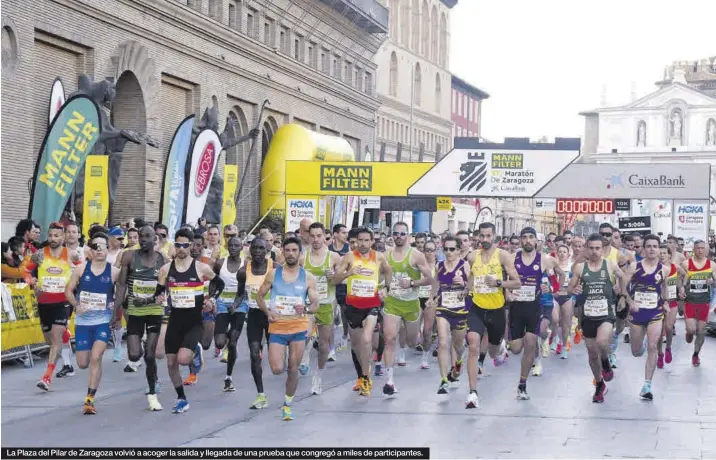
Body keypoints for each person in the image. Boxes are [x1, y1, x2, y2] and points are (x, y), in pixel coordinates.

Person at [157, 228, 224, 413]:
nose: (181, 248)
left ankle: (195, 354)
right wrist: (159, 297)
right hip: (174, 321)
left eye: (184, 245)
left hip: (194, 322)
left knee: (183, 359)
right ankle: (181, 398)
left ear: (190, 246)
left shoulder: (200, 267)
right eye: (177, 244)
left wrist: (211, 299)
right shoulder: (165, 269)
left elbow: (220, 283)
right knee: (171, 364)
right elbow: (159, 291)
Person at [256, 237, 318, 420]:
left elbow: (316, 304)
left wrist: (305, 308)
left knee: (293, 367)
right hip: (277, 326)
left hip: (298, 326)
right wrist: (267, 312)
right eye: (287, 250)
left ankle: (288, 403)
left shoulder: (308, 277)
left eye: (294, 250)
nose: (290, 253)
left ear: (300, 253)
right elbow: (259, 296)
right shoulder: (273, 274)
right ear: (282, 251)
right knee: (276, 368)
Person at [465, 222, 522, 409]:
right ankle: (473, 392)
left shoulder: (503, 256)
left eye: (488, 236)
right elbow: (472, 279)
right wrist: (465, 290)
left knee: (493, 351)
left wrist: (498, 283)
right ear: (477, 237)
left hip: (497, 309)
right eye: (482, 236)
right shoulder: (473, 257)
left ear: (494, 236)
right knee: (473, 344)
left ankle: (501, 348)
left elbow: (517, 283)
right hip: (477, 308)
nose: (485, 240)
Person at [568, 234, 628, 403]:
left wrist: (622, 295)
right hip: (587, 315)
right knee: (592, 354)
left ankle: (606, 361)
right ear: (587, 249)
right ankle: (599, 384)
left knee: (602, 342)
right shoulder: (580, 268)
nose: (594, 252)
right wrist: (575, 290)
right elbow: (570, 288)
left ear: (602, 249)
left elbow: (623, 277)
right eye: (591, 248)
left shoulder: (609, 265)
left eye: (597, 248)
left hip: (606, 313)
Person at [64, 232, 120, 414]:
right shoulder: (81, 269)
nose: (99, 250)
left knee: (96, 357)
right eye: (95, 246)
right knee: (82, 363)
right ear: (90, 249)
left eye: (102, 246)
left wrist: (116, 309)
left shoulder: (114, 271)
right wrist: (76, 305)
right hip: (83, 323)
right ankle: (89, 396)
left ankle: (89, 399)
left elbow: (124, 290)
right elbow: (68, 291)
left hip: (103, 322)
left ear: (107, 248)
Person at [333, 227, 392, 396]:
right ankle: (362, 375)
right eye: (361, 240)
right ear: (356, 241)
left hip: (371, 304)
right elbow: (335, 279)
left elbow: (388, 271)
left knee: (367, 339)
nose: (364, 244)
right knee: (357, 345)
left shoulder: (379, 257)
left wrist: (386, 289)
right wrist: (349, 272)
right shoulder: (350, 257)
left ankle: (366, 377)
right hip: (353, 305)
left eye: (367, 240)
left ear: (372, 241)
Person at [509, 227, 565, 396]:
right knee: (516, 348)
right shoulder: (512, 259)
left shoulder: (545, 260)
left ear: (536, 241)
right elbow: (504, 278)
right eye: (524, 237)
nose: (527, 240)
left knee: (530, 344)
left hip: (534, 307)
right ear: (520, 240)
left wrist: (552, 289)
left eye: (531, 237)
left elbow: (561, 274)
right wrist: (507, 293)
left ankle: (522, 383)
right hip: (516, 307)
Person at [115, 225, 166, 411]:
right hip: (135, 311)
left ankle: (152, 393)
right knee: (134, 355)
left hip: (154, 311)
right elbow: (121, 286)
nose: (143, 239)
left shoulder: (163, 260)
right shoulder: (129, 257)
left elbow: (169, 285)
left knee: (151, 355)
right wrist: (116, 313)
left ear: (155, 240)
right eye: (140, 236)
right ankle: (143, 347)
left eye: (147, 236)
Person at [381, 222, 434, 396]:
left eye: (402, 234)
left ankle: (417, 336)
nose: (399, 236)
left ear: (408, 236)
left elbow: (429, 279)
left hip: (411, 304)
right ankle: (389, 380)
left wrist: (412, 283)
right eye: (396, 233)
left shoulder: (416, 255)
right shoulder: (385, 255)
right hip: (392, 302)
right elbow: (380, 276)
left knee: (412, 343)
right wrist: (381, 288)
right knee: (389, 339)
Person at [24, 222, 77, 391]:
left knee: (55, 340)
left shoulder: (71, 255)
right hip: (44, 302)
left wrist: (74, 283)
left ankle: (47, 377)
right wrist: (31, 281)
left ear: (63, 237)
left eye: (56, 236)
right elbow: (25, 271)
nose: (53, 239)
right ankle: (65, 333)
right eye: (51, 235)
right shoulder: (39, 254)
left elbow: (83, 270)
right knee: (49, 339)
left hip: (62, 302)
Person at [623, 234, 669, 400]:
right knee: (636, 352)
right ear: (643, 249)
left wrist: (665, 302)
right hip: (637, 312)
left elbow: (664, 288)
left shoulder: (664, 270)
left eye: (655, 246)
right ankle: (638, 345)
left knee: (652, 346)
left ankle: (647, 384)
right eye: (648, 246)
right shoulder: (635, 266)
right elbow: (623, 286)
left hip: (655, 312)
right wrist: (629, 301)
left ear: (659, 249)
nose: (652, 249)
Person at [302, 223, 341, 395]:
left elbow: (339, 280)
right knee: (305, 333)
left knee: (324, 345)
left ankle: (318, 375)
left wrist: (333, 277)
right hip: (308, 303)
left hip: (326, 303)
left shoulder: (333, 257)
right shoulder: (303, 257)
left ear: (325, 236)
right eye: (313, 236)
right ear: (308, 237)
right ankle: (306, 350)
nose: (316, 240)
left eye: (319, 236)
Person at [237, 237, 274, 409]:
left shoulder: (275, 269)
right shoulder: (244, 271)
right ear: (250, 250)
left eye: (261, 248)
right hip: (253, 314)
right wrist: (234, 306)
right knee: (253, 354)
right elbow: (240, 295)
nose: (258, 251)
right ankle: (261, 394)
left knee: (276, 361)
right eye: (255, 248)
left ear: (267, 249)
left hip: (272, 316)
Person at [431, 236, 469, 394]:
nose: (448, 252)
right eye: (445, 249)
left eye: (452, 249)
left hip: (460, 311)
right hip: (443, 309)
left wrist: (464, 285)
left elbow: (471, 289)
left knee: (458, 345)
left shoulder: (465, 265)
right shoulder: (439, 265)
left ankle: (458, 361)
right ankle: (444, 380)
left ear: (459, 250)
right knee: (443, 342)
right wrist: (431, 298)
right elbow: (435, 285)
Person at [212, 236, 246, 392]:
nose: (233, 248)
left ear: (242, 247)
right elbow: (213, 281)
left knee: (232, 342)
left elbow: (246, 288)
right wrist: (211, 298)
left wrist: (236, 304)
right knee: (219, 343)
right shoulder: (220, 263)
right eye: (231, 245)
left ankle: (228, 377)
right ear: (227, 246)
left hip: (240, 305)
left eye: (236, 245)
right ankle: (228, 336)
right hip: (222, 303)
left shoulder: (246, 265)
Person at [679, 240, 716, 367]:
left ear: (706, 250)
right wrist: (681, 289)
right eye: (698, 248)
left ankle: (696, 354)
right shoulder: (685, 264)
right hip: (690, 301)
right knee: (691, 329)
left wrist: (712, 282)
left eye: (702, 248)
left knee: (701, 331)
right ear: (693, 250)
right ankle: (688, 332)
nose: (700, 251)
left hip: (704, 302)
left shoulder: (712, 265)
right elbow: (680, 281)